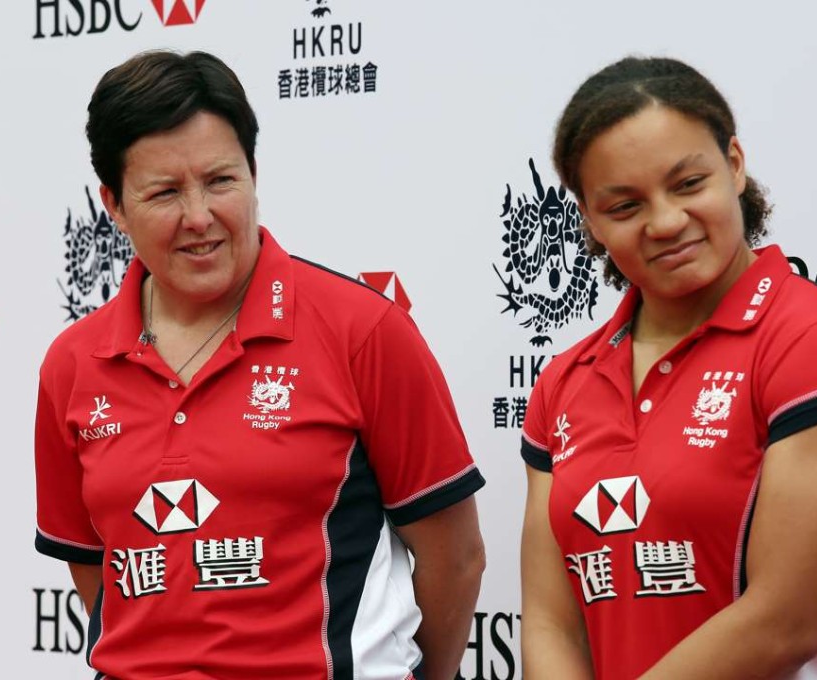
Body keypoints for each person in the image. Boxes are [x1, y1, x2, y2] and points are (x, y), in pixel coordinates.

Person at [34, 49, 486, 680]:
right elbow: (94, 570)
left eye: (221, 181)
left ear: (253, 173)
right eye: (164, 193)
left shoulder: (362, 330)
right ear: (114, 205)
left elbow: (455, 557)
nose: (199, 217)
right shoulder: (72, 363)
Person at [519, 56, 817, 679]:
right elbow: (550, 621)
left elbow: (785, 621)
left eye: (689, 184)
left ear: (733, 165)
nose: (667, 222)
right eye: (624, 207)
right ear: (589, 219)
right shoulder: (564, 380)